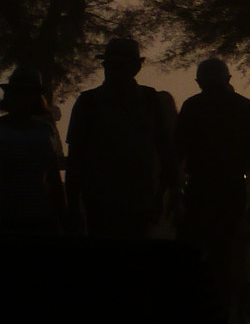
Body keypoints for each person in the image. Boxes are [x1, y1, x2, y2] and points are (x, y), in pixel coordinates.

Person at [175, 58, 250, 312]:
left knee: (191, 252)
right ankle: (221, 310)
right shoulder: (245, 108)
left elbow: (177, 153)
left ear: (200, 82)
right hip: (232, 190)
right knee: (223, 254)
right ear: (228, 80)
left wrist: (172, 192)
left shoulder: (192, 107)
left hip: (199, 190)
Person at [66, 38, 175, 238]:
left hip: (138, 200)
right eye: (111, 65)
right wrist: (72, 205)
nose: (115, 71)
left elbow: (166, 152)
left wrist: (165, 195)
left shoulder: (150, 101)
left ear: (136, 67)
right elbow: (75, 159)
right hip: (99, 201)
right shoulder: (89, 103)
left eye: (120, 65)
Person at [0, 67, 65, 234]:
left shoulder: (45, 131)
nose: (22, 99)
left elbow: (53, 176)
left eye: (27, 93)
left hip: (39, 213)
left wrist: (61, 211)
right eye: (18, 93)